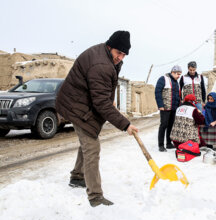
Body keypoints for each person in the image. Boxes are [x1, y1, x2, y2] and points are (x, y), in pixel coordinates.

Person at [56, 30, 138, 207]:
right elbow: (100, 103)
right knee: (92, 146)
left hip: (81, 101)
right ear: (110, 47)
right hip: (75, 105)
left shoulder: (107, 56)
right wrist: (125, 125)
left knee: (87, 140)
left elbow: (103, 90)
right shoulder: (101, 64)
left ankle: (77, 177)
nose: (121, 57)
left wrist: (110, 99)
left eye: (124, 54)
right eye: (119, 53)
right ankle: (95, 197)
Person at [155, 65, 181, 152]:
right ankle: (161, 145)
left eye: (180, 74)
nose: (179, 76)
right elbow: (157, 91)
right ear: (173, 72)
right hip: (165, 107)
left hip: (173, 108)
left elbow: (177, 96)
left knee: (171, 126)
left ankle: (169, 143)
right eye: (178, 74)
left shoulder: (176, 82)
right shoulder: (163, 79)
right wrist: (160, 105)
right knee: (163, 125)